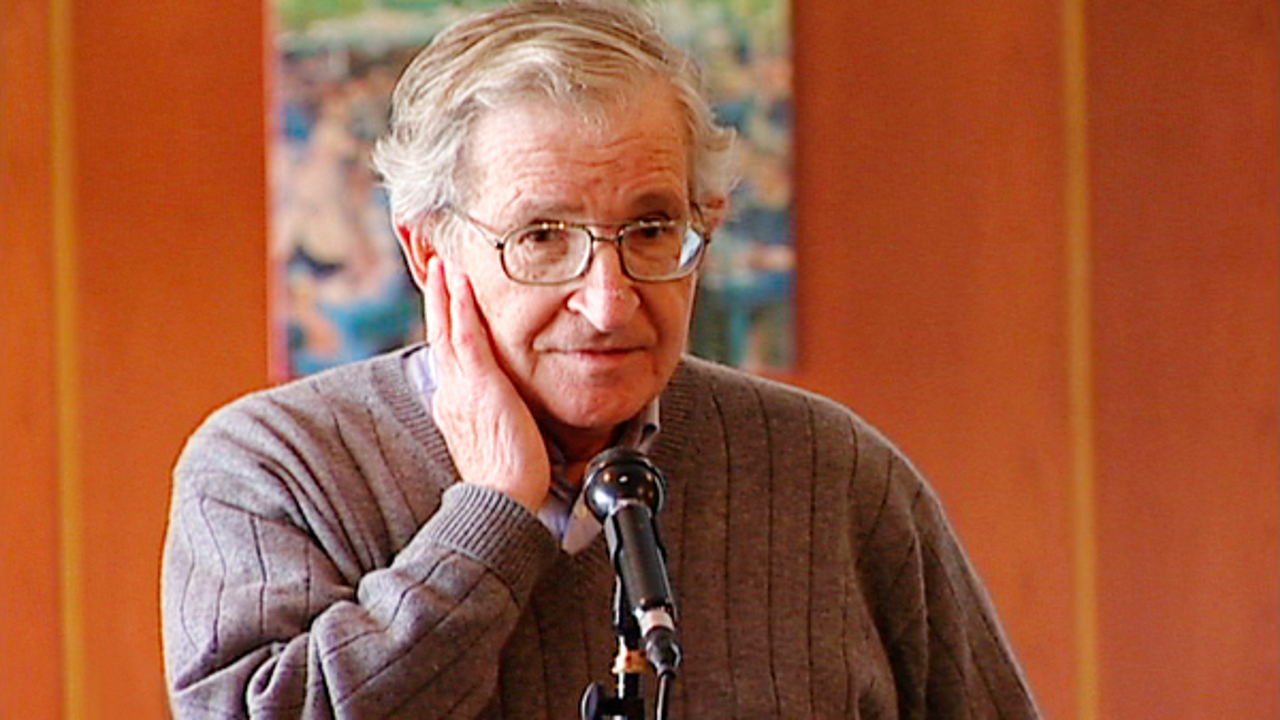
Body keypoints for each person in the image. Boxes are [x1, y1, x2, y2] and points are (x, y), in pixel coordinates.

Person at [161, 1, 1041, 717]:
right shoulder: (271, 469)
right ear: (430, 252)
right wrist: (492, 518)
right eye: (542, 237)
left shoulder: (836, 473)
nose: (609, 301)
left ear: (706, 224)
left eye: (651, 230)